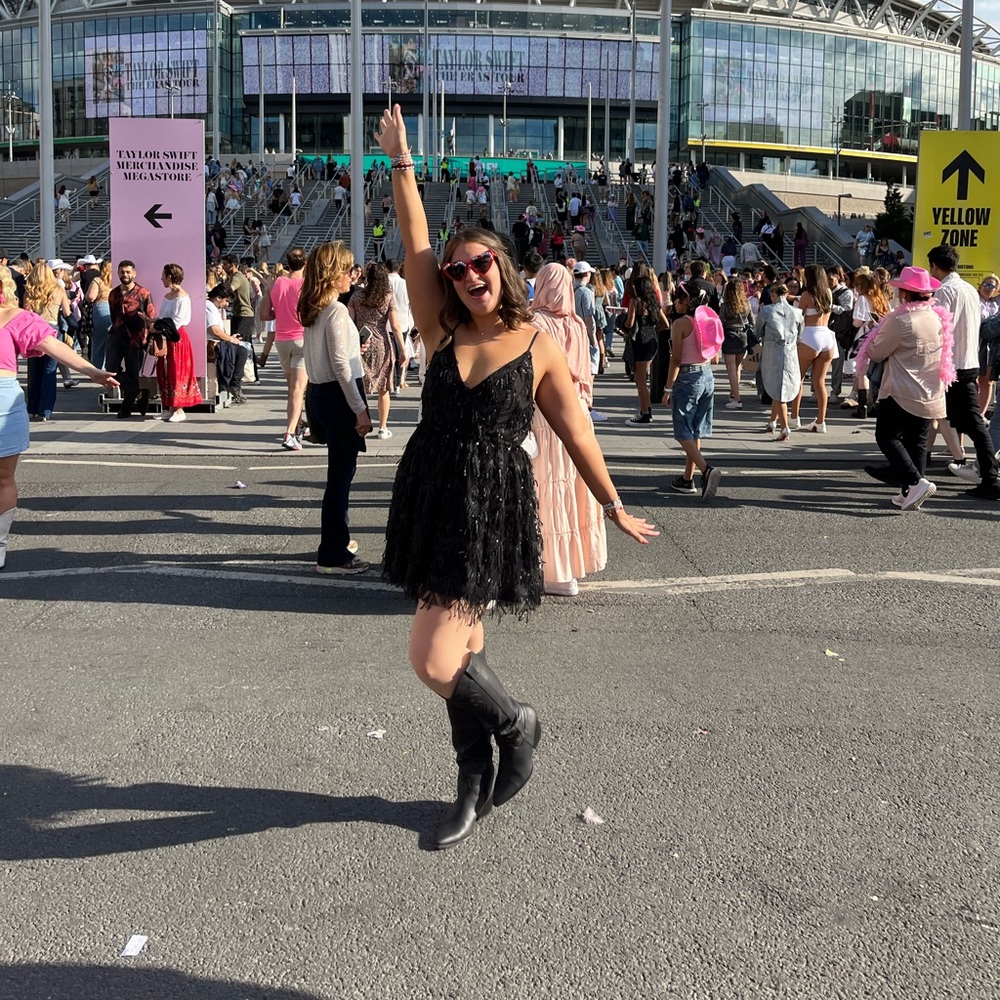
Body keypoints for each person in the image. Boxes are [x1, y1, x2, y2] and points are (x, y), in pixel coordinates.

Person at [375, 105, 657, 851]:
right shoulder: (440, 328)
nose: (468, 275)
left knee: (431, 656)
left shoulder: (539, 345)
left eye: (481, 264)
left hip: (488, 505)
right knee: (460, 649)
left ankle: (517, 723)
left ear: (503, 268)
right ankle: (471, 781)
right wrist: (401, 162)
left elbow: (575, 429)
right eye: (457, 269)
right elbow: (414, 239)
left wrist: (614, 504)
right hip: (431, 493)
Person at [0, 266, 118, 568]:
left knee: (2, 478)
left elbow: (54, 346)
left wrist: (92, 371)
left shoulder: (15, 317)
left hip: (4, 400)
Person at [529, 262, 608, 598]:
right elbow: (586, 374)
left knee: (544, 486)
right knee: (572, 489)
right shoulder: (576, 323)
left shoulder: (535, 322)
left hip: (545, 413)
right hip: (577, 410)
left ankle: (547, 568)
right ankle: (569, 569)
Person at [299, 242, 372, 573]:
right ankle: (333, 551)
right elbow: (342, 365)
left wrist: (357, 342)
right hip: (340, 395)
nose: (352, 275)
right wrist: (360, 409)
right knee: (341, 478)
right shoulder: (337, 311)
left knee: (338, 475)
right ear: (333, 274)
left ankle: (337, 540)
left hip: (318, 392)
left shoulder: (316, 308)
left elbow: (331, 356)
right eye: (348, 269)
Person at [858, 266, 955, 510]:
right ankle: (910, 492)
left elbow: (876, 352)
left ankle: (915, 482)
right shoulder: (937, 317)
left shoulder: (901, 321)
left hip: (902, 391)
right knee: (917, 442)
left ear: (904, 293)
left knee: (887, 436)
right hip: (931, 391)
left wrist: (875, 332)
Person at [928, 244, 1000, 499]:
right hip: (969, 360)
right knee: (948, 418)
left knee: (972, 423)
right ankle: (915, 467)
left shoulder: (945, 291)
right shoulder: (969, 289)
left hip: (952, 364)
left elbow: (939, 328)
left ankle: (990, 478)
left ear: (935, 266)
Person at [662, 283, 723, 498]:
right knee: (696, 430)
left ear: (687, 301)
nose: (675, 302)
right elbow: (715, 356)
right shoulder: (707, 320)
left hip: (688, 377)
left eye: (678, 298)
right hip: (707, 375)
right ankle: (688, 479)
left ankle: (706, 470)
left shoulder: (680, 324)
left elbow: (676, 359)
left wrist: (668, 388)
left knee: (682, 431)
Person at [259, 248, 308, 449]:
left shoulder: (278, 283)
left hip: (281, 339)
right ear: (305, 263)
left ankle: (297, 426)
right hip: (301, 339)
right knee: (298, 390)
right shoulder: (305, 285)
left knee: (294, 390)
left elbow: (264, 315)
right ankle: (289, 432)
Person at [349, 262, 404, 439]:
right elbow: (395, 326)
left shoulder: (357, 296)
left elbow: (350, 321)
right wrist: (403, 349)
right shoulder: (387, 297)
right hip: (382, 343)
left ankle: (361, 423)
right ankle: (382, 427)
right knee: (384, 388)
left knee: (359, 386)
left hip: (361, 342)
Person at [788, 265, 837, 433]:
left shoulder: (807, 295)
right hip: (827, 338)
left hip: (810, 336)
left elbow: (797, 317)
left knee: (798, 379)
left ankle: (794, 417)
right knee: (820, 382)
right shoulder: (829, 293)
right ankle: (821, 421)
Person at [106, 260, 156, 419]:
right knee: (111, 369)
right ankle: (138, 392)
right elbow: (113, 316)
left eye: (128, 272)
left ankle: (126, 408)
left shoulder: (143, 293)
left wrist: (149, 336)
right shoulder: (113, 293)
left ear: (134, 273)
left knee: (133, 372)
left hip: (137, 337)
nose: (125, 275)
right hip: (117, 335)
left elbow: (150, 316)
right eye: (122, 272)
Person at [155, 264, 202, 423]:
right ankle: (169, 407)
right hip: (165, 337)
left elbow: (177, 321)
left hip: (176, 338)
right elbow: (162, 317)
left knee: (176, 370)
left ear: (170, 277)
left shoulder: (183, 297)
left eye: (163, 275)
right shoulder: (167, 296)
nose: (161, 278)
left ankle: (179, 409)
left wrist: (158, 326)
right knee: (165, 371)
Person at [756, 283, 803, 441]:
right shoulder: (797, 312)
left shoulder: (767, 310)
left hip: (772, 352)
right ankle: (772, 421)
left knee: (779, 389)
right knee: (780, 387)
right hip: (790, 352)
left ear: (773, 295)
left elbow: (758, 331)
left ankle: (784, 428)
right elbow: (800, 336)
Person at [23, 263, 70, 422]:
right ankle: (46, 411)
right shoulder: (58, 290)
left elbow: (26, 312)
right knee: (50, 372)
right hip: (52, 329)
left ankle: (32, 409)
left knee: (35, 371)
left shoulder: (30, 291)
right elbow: (67, 311)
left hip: (35, 330)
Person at [623, 274, 667, 425]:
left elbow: (629, 324)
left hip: (640, 342)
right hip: (651, 340)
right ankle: (646, 410)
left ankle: (645, 414)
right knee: (642, 379)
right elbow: (665, 324)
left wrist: (623, 321)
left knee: (640, 381)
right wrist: (653, 330)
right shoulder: (654, 302)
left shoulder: (636, 302)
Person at [205, 283, 248, 404]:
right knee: (242, 352)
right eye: (226, 301)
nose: (226, 305)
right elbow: (213, 330)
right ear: (219, 297)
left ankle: (233, 383)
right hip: (212, 343)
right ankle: (235, 384)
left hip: (216, 341)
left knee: (243, 348)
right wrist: (230, 339)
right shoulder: (209, 307)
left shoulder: (212, 307)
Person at [719, 278, 751, 409]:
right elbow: (752, 321)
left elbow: (721, 321)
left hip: (730, 335)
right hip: (743, 336)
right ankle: (734, 393)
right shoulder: (746, 304)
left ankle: (737, 399)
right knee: (737, 368)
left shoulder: (726, 305)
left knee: (731, 369)